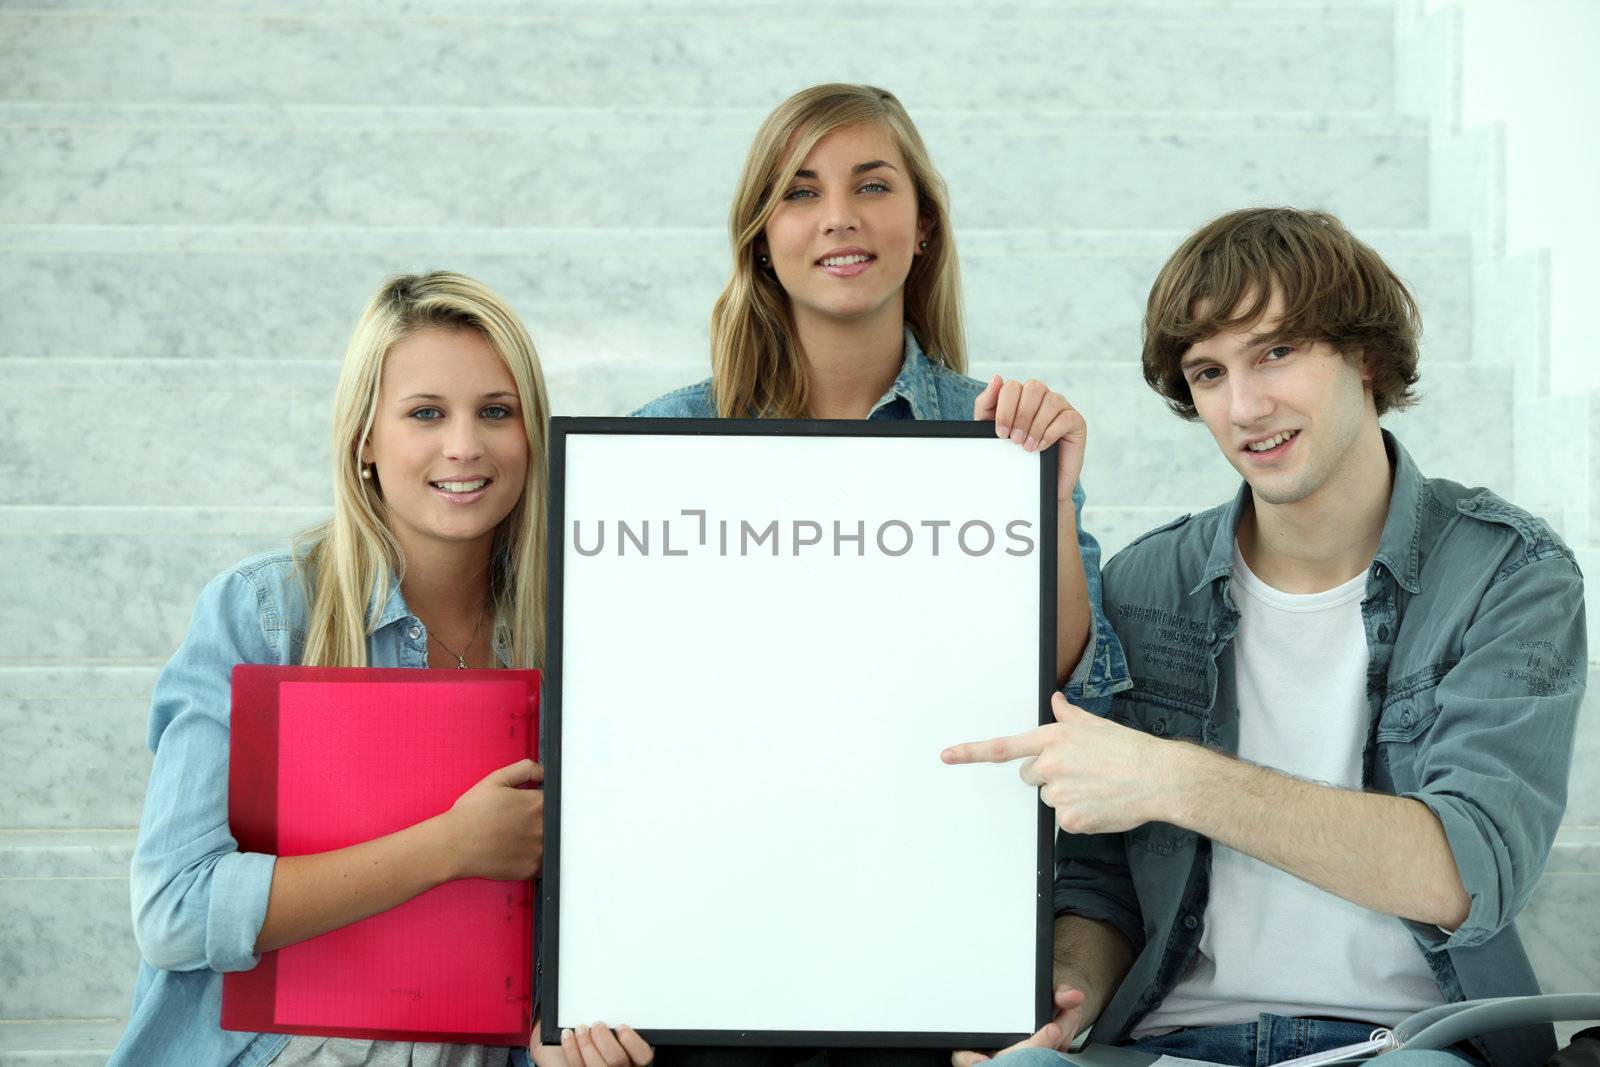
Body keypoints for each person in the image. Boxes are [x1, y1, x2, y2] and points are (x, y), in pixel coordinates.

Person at [943, 208, 1585, 1067]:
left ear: (1364, 355)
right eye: (1209, 372)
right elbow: (1103, 885)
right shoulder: (1148, 584)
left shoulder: (1510, 571)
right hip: (1175, 1042)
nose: (1245, 406)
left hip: (1409, 1045)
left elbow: (1467, 874)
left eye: (1276, 351)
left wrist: (1177, 778)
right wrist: (1067, 991)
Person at [631, 83, 1128, 1066]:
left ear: (922, 224)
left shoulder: (998, 435)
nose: (839, 217)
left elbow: (1071, 680)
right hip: (719, 917)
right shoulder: (664, 441)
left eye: (871, 184)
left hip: (932, 923)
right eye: (800, 191)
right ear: (760, 234)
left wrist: (1051, 493)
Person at [109, 272, 652, 1067]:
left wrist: (552, 1036)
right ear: (366, 437)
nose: (464, 444)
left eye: (495, 412)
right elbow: (175, 909)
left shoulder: (575, 631)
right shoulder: (263, 614)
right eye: (426, 413)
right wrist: (451, 845)